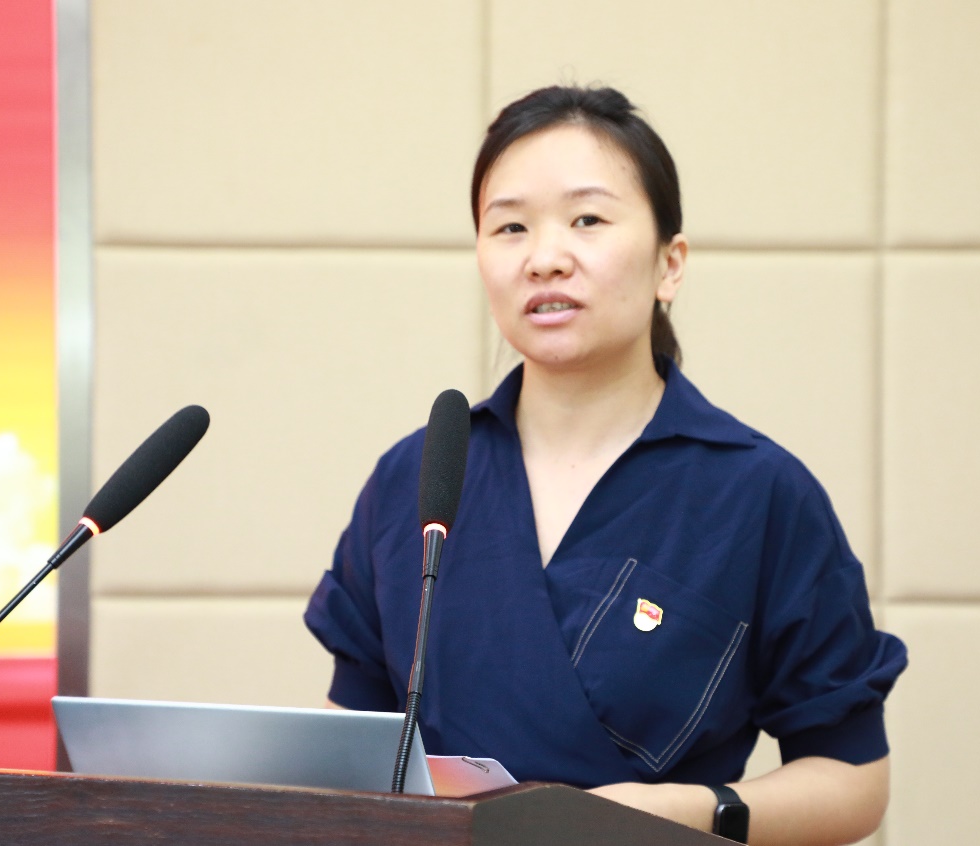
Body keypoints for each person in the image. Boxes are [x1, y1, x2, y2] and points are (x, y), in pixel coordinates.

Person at [305, 85, 907, 844]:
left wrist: (692, 812)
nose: (544, 259)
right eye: (510, 227)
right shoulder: (417, 478)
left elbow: (853, 780)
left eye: (587, 220)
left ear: (669, 264)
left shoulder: (757, 493)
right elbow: (350, 750)